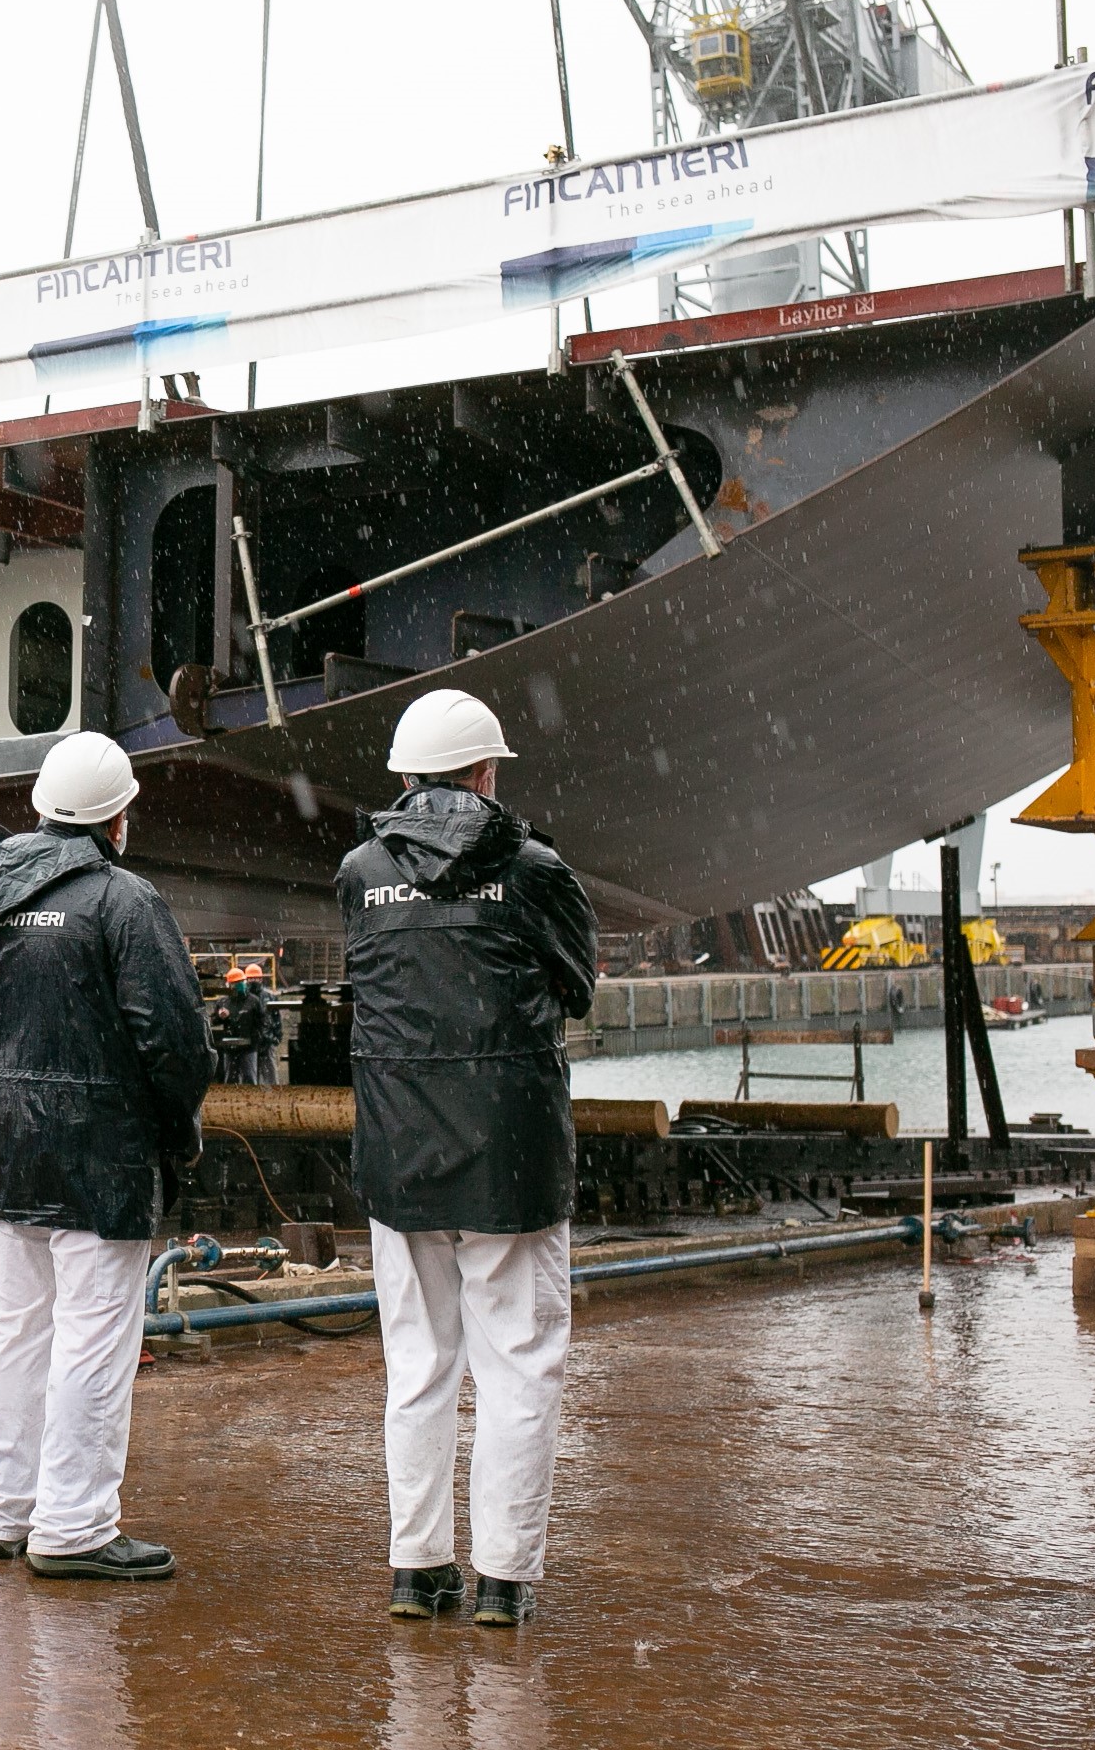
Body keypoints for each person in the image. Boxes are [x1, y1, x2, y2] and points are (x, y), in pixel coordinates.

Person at [339, 687, 597, 1629]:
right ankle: (503, 1580)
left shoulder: (361, 872)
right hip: (512, 1156)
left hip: (400, 1152)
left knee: (418, 1366)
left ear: (405, 779)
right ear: (486, 775)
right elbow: (576, 985)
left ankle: (417, 1569)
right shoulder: (534, 869)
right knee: (520, 1365)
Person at [0, 730, 212, 1582]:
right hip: (98, 1155)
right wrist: (176, 1130)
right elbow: (175, 1040)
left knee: (14, 1330)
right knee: (94, 1336)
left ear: (44, 807)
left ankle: (6, 1511)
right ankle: (76, 1525)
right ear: (117, 818)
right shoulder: (123, 902)